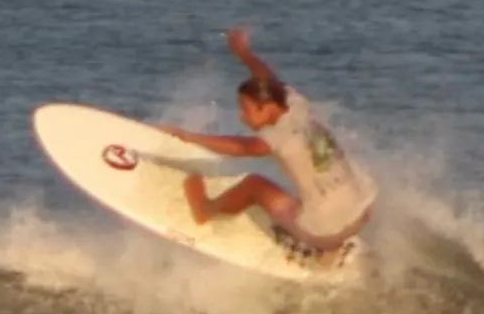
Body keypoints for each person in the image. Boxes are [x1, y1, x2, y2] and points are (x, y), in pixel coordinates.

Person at [158, 29, 377, 266]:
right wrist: (244, 53)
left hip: (325, 233)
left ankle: (205, 209)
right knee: (317, 190)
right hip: (363, 213)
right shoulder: (297, 105)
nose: (243, 117)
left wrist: (188, 137)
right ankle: (331, 246)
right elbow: (268, 78)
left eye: (246, 109)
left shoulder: (279, 135)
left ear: (267, 107)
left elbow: (240, 147)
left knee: (254, 185)